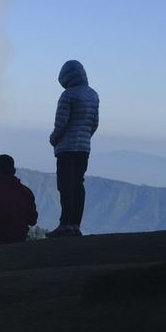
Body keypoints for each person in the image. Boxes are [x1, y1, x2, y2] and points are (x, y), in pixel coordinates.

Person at [47, 59, 98, 237]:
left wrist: (53, 140)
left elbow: (61, 124)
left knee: (65, 185)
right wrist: (84, 138)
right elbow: (94, 123)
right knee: (78, 184)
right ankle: (75, 224)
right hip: (84, 148)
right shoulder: (93, 95)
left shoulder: (68, 95)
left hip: (66, 149)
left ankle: (65, 225)